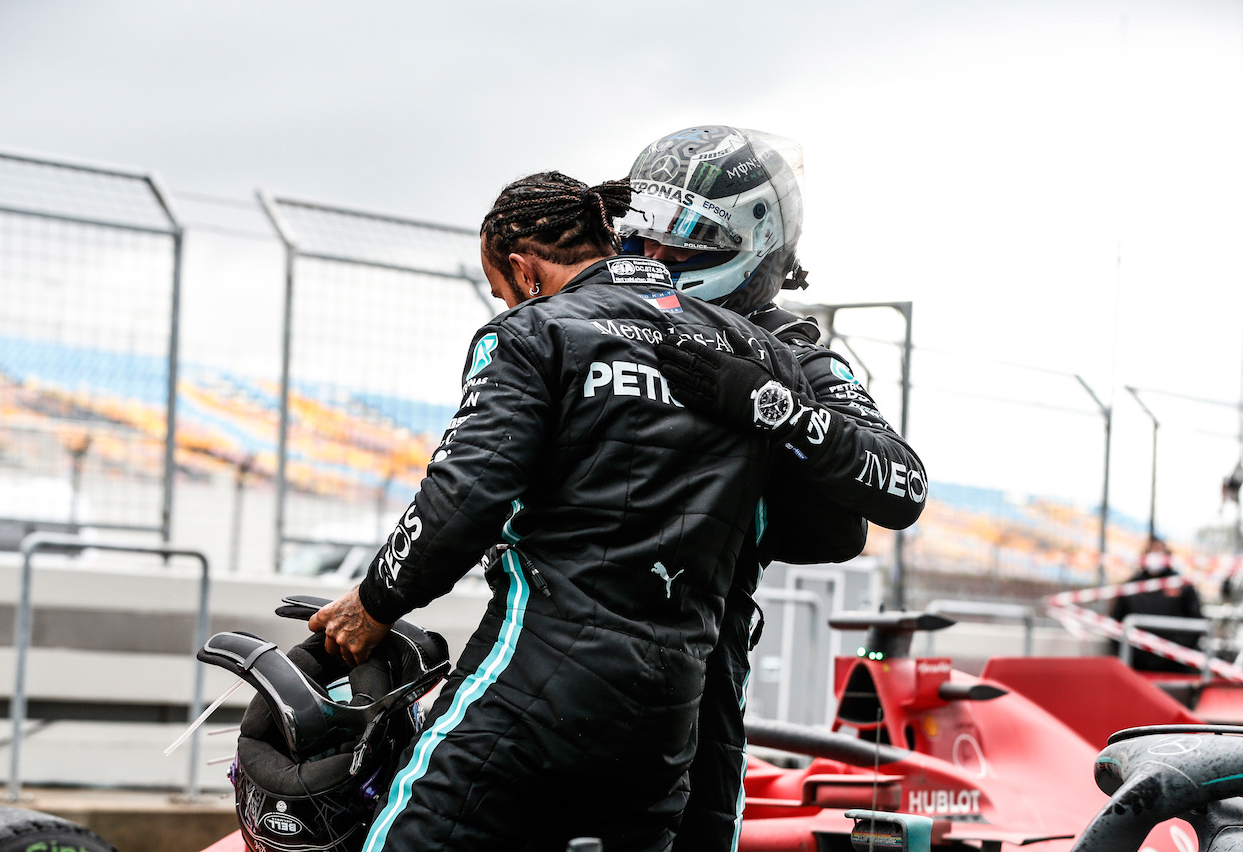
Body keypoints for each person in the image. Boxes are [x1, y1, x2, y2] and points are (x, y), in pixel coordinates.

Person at [309, 170, 811, 851]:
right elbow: (827, 525)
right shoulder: (756, 353)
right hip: (672, 715)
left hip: (537, 681)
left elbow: (463, 497)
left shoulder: (530, 333)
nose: (504, 301)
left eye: (500, 288)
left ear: (523, 268)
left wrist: (373, 605)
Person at [615, 125, 928, 852]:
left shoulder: (789, 352)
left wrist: (769, 405)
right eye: (640, 237)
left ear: (753, 242)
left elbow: (902, 483)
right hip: (551, 658)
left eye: (685, 241)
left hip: (699, 671)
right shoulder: (585, 322)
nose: (655, 260)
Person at [1110, 535, 1205, 673]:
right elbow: (1116, 623)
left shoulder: (1182, 585)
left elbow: (1196, 621)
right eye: (1151, 551)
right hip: (1137, 665)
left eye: (1159, 552)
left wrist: (1177, 650)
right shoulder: (1131, 586)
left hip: (1175, 666)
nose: (1155, 556)